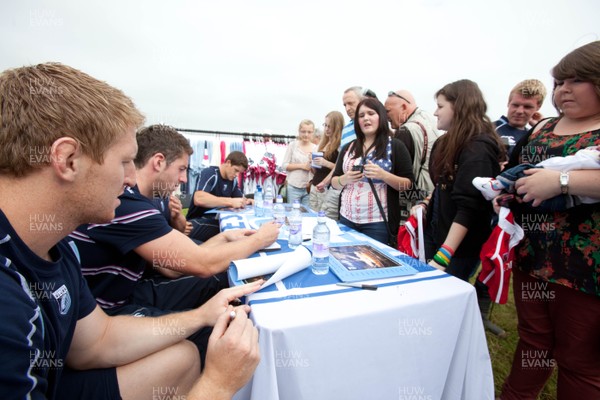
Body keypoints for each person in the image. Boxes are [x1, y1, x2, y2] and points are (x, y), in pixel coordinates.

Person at [0, 63, 261, 399]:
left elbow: (96, 341)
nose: (129, 177)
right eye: (124, 161)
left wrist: (200, 316)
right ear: (67, 160)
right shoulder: (8, 302)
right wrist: (218, 384)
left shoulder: (55, 245)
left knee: (182, 357)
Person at [70, 124, 279, 362]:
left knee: (220, 281)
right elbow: (201, 263)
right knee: (221, 331)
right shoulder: (129, 204)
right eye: (181, 169)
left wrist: (222, 237)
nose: (183, 179)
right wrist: (261, 239)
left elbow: (170, 266)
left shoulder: (144, 201)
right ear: (158, 162)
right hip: (108, 314)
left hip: (125, 294)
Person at [499, 41, 600, 400]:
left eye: (576, 80)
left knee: (580, 361)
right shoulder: (542, 127)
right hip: (534, 257)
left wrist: (562, 180)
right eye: (559, 81)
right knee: (533, 343)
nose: (563, 90)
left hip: (584, 272)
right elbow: (516, 170)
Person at [414, 79, 506, 281]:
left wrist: (444, 255)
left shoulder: (478, 148)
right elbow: (442, 186)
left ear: (460, 107)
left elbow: (469, 206)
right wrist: (426, 203)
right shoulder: (444, 142)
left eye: (440, 106)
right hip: (436, 233)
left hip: (457, 248)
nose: (435, 112)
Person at [331, 97, 414, 244]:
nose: (366, 118)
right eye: (361, 116)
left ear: (380, 117)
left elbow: (407, 185)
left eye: (371, 113)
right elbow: (334, 182)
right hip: (346, 218)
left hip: (377, 223)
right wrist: (345, 179)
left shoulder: (395, 146)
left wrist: (384, 175)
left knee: (371, 265)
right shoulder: (348, 148)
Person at [473, 145, 599, 210]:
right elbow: (513, 162)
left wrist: (559, 181)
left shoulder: (591, 156)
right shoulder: (542, 127)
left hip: (581, 242)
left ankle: (497, 185)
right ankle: (502, 191)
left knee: (524, 169)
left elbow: (571, 163)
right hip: (528, 243)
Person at [385, 89, 442, 223]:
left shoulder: (405, 130)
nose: (385, 116)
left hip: (413, 200)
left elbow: (400, 174)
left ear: (404, 107)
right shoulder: (428, 119)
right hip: (431, 195)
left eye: (388, 111)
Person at [187, 150, 252, 242]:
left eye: (239, 173)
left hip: (216, 220)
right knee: (236, 233)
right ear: (228, 162)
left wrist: (249, 201)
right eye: (236, 170)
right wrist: (230, 201)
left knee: (241, 229)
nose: (237, 175)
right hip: (197, 221)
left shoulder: (232, 181)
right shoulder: (209, 173)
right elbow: (199, 199)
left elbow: (240, 199)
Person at [495, 79, 547, 156]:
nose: (519, 111)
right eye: (515, 105)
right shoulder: (488, 129)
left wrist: (541, 127)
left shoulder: (535, 135)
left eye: (527, 107)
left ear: (538, 107)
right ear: (508, 103)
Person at [309, 111, 344, 219]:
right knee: (312, 218)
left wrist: (326, 163)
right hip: (315, 185)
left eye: (330, 126)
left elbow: (341, 169)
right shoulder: (323, 143)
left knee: (325, 220)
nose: (327, 129)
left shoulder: (341, 145)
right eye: (325, 125)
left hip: (328, 189)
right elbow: (316, 170)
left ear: (337, 127)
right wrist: (312, 163)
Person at [281, 119, 318, 208]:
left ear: (313, 133)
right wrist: (302, 166)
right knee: (293, 213)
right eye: (303, 131)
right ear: (299, 131)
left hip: (308, 188)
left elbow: (316, 171)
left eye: (309, 132)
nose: (306, 134)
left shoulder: (316, 148)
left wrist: (312, 165)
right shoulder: (292, 145)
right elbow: (284, 165)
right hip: (293, 186)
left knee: (307, 215)